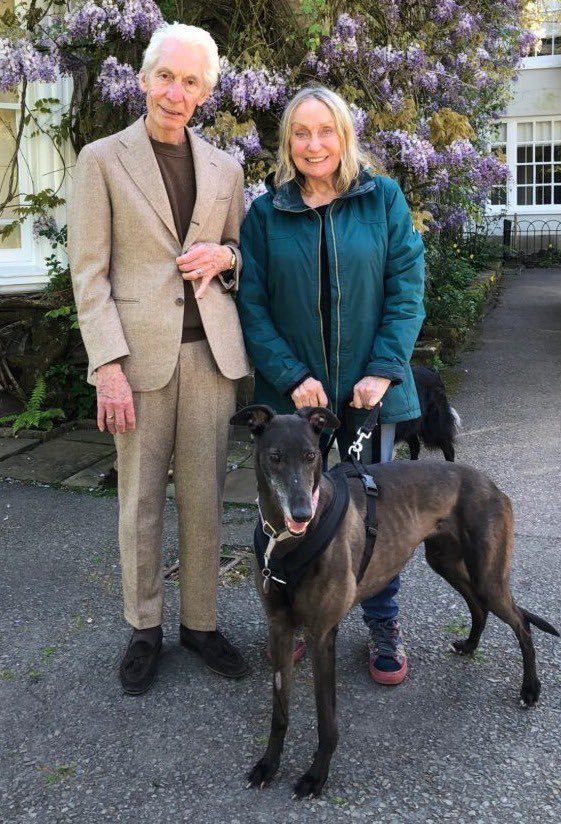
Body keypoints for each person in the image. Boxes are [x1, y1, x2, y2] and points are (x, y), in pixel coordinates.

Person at [68, 23, 251, 694]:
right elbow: (89, 274)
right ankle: (144, 626)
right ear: (144, 79)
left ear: (205, 93)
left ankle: (199, 624)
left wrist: (228, 256)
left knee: (203, 502)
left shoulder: (227, 169)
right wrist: (107, 366)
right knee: (140, 503)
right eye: (166, 77)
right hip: (137, 365)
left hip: (210, 362)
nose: (176, 93)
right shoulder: (102, 160)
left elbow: (241, 254)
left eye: (191, 82)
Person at [237, 86, 425, 685]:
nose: (314, 144)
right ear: (287, 143)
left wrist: (383, 369)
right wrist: (292, 377)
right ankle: (296, 621)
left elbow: (406, 288)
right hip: (296, 407)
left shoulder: (384, 200)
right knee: (292, 513)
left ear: (344, 136)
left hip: (367, 400)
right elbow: (252, 305)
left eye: (325, 131)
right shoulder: (266, 214)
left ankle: (382, 621)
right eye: (300, 133)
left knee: (373, 516)